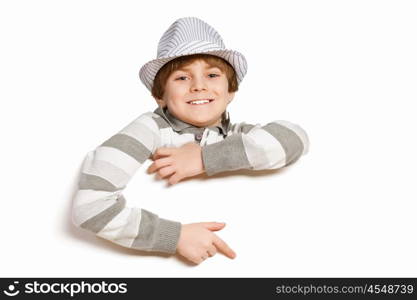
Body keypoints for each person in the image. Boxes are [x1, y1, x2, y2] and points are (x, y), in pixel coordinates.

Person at [71, 17, 309, 265]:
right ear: (159, 96)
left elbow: (295, 138)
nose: (198, 86)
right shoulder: (149, 129)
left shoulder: (234, 135)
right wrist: (174, 237)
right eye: (182, 78)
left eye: (212, 75)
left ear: (231, 92)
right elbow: (90, 207)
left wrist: (203, 158)